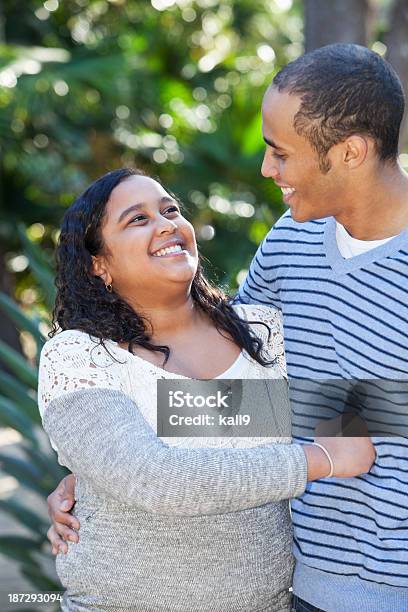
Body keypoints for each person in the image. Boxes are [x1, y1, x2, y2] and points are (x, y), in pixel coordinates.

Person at [39, 167, 374, 612]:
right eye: (136, 219)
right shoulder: (79, 356)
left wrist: (104, 463)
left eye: (170, 210)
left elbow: (336, 401)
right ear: (98, 264)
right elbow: (154, 479)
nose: (166, 224)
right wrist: (319, 460)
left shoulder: (262, 333)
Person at [235, 44, 408, 611]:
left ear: (352, 152)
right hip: (309, 585)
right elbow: (236, 388)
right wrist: (98, 477)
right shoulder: (290, 241)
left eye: (281, 153)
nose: (267, 169)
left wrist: (343, 410)